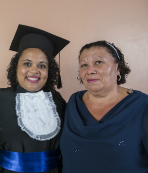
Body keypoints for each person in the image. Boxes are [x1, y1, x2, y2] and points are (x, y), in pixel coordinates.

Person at [0, 24, 69, 173]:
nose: (34, 70)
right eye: (27, 63)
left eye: (42, 65)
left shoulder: (57, 101)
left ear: (49, 71)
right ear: (16, 68)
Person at [60, 40, 148, 172]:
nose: (90, 70)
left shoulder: (141, 106)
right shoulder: (72, 103)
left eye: (98, 62)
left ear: (118, 68)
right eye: (84, 65)